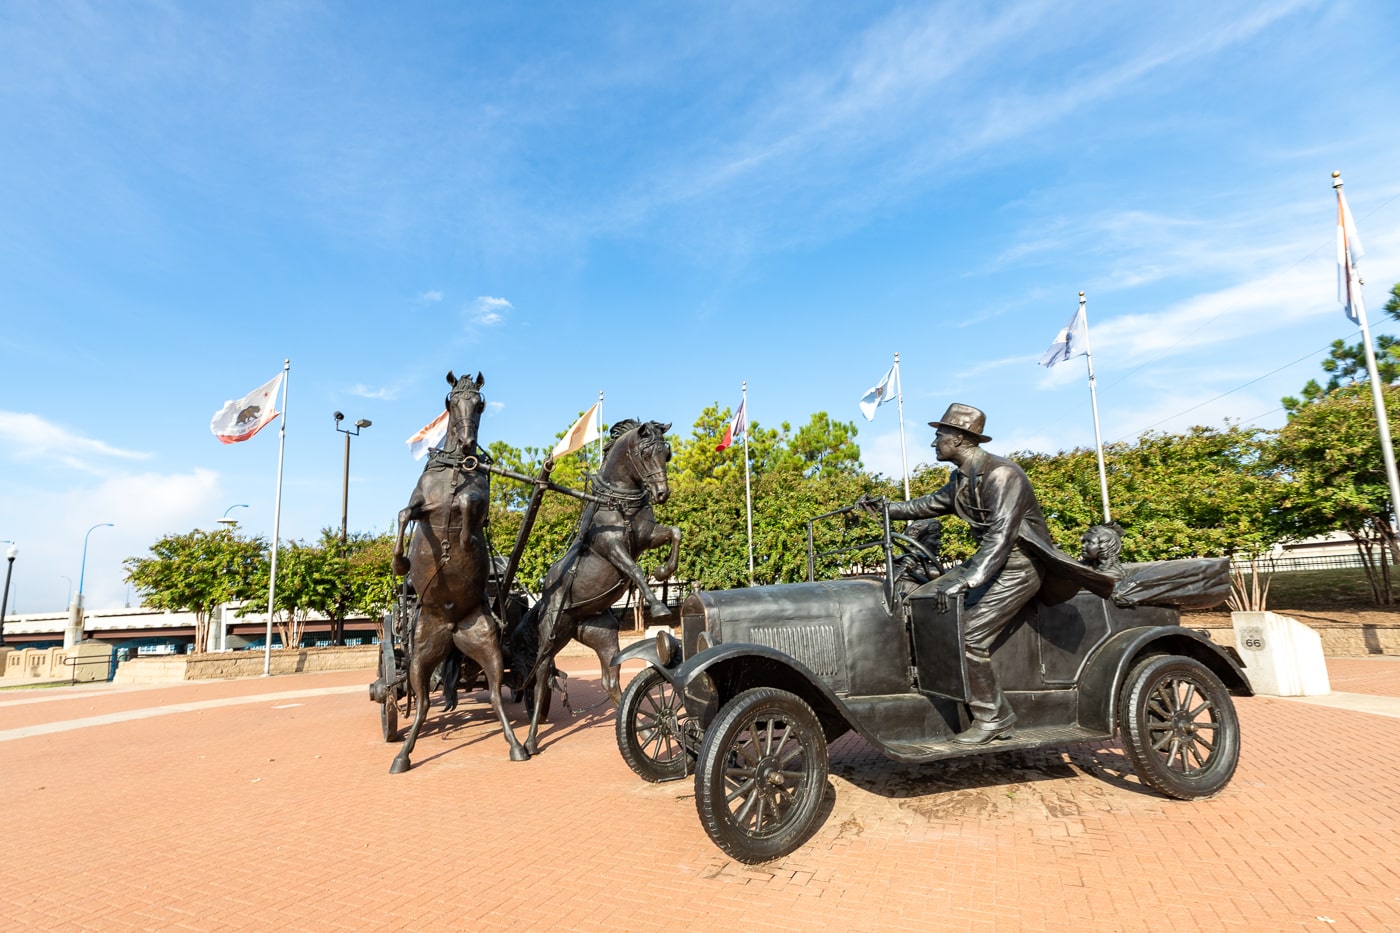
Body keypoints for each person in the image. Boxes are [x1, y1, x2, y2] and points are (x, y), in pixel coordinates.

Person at [857, 403, 1116, 745]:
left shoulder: (1003, 475)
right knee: (919, 602)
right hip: (990, 564)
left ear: (960, 439)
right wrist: (885, 508)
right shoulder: (963, 478)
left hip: (1018, 569)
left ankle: (994, 717)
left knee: (968, 637)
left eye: (939, 436)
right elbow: (926, 505)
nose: (934, 443)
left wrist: (968, 579)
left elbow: (1001, 536)